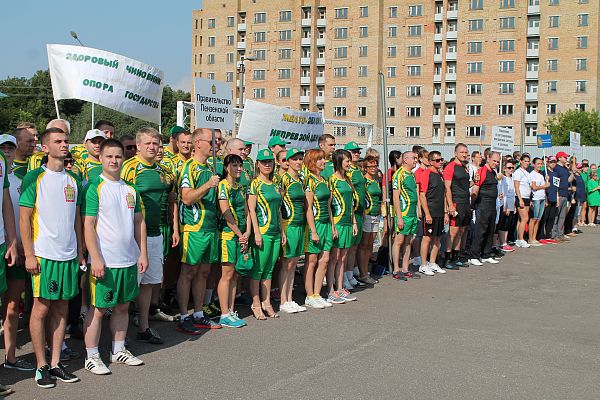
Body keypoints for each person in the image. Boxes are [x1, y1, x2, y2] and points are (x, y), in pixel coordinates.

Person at [20, 127, 82, 388]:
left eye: (66, 140)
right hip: (43, 255)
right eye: (58, 141)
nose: (64, 144)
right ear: (45, 148)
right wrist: (29, 254)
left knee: (62, 308)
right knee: (41, 308)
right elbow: (24, 218)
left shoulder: (74, 179)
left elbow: (77, 219)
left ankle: (56, 364)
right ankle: (41, 365)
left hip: (68, 255)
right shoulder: (34, 177)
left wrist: (80, 252)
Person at [82, 139, 147, 375]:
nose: (114, 161)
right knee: (99, 308)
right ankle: (91, 356)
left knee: (122, 307)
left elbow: (139, 222)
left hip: (128, 259)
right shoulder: (94, 187)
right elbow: (88, 226)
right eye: (109, 156)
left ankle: (118, 350)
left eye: (118, 156)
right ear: (101, 159)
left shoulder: (130, 189)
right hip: (105, 262)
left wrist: (143, 253)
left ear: (123, 158)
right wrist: (96, 258)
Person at [121, 127, 175, 344]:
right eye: (148, 143)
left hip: (156, 235)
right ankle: (119, 336)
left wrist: (173, 229)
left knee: (149, 284)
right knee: (129, 285)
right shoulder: (129, 168)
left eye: (155, 143)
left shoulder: (164, 171)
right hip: (133, 237)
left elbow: (171, 200)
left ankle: (143, 326)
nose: (152, 147)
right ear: (139, 146)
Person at [176, 128, 222, 333]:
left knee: (204, 272)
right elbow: (186, 198)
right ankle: (184, 315)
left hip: (210, 228)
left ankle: (199, 313)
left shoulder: (210, 167)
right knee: (189, 272)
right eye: (211, 141)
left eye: (216, 142)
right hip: (193, 229)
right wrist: (208, 185)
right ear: (197, 144)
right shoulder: (189, 167)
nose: (215, 145)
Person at [0, 135, 34, 372]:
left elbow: (23, 215)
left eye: (10, 147)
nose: (7, 151)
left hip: (17, 249)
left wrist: (19, 243)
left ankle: (11, 358)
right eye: (2, 147)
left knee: (13, 306)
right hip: (6, 245)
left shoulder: (23, 180)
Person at [248, 149, 285, 319]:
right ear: (258, 164)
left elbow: (278, 210)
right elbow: (252, 210)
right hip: (262, 232)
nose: (267, 165)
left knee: (269, 270)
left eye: (270, 161)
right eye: (264, 162)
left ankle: (267, 302)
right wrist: (256, 232)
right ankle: (256, 304)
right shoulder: (255, 184)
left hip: (275, 232)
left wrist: (282, 231)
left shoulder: (275, 184)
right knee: (258, 270)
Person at [216, 154, 249, 328]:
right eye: (234, 165)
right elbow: (226, 212)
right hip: (229, 235)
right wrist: (238, 233)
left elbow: (246, 211)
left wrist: (247, 232)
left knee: (235, 274)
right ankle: (223, 313)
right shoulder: (223, 186)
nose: (238, 168)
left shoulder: (240, 187)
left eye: (240, 165)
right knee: (227, 274)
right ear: (226, 167)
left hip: (241, 235)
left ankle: (231, 309)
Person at [302, 149, 334, 309]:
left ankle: (317, 293)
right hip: (315, 224)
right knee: (312, 260)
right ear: (312, 162)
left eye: (324, 158)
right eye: (320, 159)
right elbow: (307, 208)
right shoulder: (309, 180)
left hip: (326, 224)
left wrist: (332, 226)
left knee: (325, 259)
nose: (324, 161)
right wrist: (313, 230)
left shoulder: (325, 180)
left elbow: (329, 206)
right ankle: (309, 295)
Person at [278, 148, 307, 314]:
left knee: (294, 262)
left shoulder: (301, 180)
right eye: (294, 159)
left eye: (300, 159)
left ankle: (289, 298)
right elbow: (278, 206)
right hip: (288, 225)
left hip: (299, 225)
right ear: (287, 162)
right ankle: (283, 300)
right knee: (287, 263)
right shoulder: (283, 180)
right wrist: (282, 230)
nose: (298, 162)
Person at [326, 149, 358, 303]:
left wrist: (354, 222)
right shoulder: (331, 180)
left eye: (349, 160)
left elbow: (351, 204)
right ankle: (331, 290)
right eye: (346, 160)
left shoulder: (347, 179)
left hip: (347, 222)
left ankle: (340, 288)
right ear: (338, 161)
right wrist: (332, 226)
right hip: (337, 222)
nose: (349, 163)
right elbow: (328, 205)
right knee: (334, 257)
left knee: (343, 258)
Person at [391, 151, 421, 280]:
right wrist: (399, 217)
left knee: (409, 241)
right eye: (413, 158)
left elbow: (415, 193)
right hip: (403, 213)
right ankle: (396, 269)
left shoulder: (411, 174)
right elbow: (396, 197)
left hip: (412, 213)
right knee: (399, 241)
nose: (416, 160)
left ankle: (405, 268)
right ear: (405, 160)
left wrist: (418, 209)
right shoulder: (399, 174)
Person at [468, 152, 501, 265]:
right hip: (483, 204)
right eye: (494, 161)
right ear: (488, 158)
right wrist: (473, 204)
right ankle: (474, 255)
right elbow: (475, 190)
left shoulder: (493, 172)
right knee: (480, 230)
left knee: (490, 230)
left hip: (492, 204)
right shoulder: (481, 171)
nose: (496, 163)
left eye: (498, 161)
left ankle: (486, 254)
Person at [442, 144, 471, 269]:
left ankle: (456, 257)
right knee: (453, 232)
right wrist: (450, 206)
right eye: (461, 152)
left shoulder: (464, 167)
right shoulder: (450, 167)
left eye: (465, 152)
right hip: (456, 202)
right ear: (455, 153)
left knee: (461, 231)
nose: (464, 154)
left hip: (465, 202)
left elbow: (464, 185)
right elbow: (447, 188)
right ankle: (447, 260)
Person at [418, 151, 448, 274]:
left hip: (440, 211)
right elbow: (422, 195)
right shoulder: (426, 174)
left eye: (441, 159)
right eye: (437, 160)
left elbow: (444, 195)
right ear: (430, 162)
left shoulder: (440, 175)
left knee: (437, 238)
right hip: (430, 211)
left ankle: (432, 262)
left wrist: (445, 212)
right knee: (427, 238)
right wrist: (427, 214)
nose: (440, 162)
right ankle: (423, 265)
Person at [357, 151, 384, 285]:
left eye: (375, 165)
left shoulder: (376, 180)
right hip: (366, 215)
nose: (373, 168)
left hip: (375, 215)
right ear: (365, 168)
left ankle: (365, 271)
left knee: (370, 246)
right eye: (370, 166)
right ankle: (363, 273)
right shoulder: (364, 180)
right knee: (364, 245)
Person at [344, 142, 365, 290]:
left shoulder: (357, 169)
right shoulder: (348, 171)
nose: (357, 153)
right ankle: (344, 276)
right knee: (348, 247)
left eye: (358, 151)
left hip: (359, 212)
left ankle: (350, 274)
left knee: (354, 247)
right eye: (353, 151)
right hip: (351, 213)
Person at [552, 152, 574, 241]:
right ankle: (554, 235)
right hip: (559, 194)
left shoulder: (565, 168)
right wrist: (556, 195)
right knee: (556, 216)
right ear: (560, 158)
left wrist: (572, 173)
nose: (566, 159)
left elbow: (568, 180)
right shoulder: (556, 168)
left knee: (562, 216)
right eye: (565, 157)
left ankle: (560, 234)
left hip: (565, 194)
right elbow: (555, 183)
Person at [496, 160, 517, 251]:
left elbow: (513, 193)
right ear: (504, 169)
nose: (511, 169)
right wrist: (507, 206)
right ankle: (502, 242)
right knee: (503, 224)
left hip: (512, 204)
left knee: (509, 224)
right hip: (505, 204)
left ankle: (505, 241)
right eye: (509, 168)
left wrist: (514, 206)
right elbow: (504, 193)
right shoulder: (503, 178)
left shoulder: (512, 178)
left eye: (512, 167)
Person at [529, 158, 550, 246]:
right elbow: (534, 187)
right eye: (538, 163)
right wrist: (544, 185)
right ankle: (530, 239)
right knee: (533, 219)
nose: (540, 165)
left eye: (541, 163)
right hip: (536, 198)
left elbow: (544, 188)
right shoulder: (532, 174)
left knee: (538, 219)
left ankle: (534, 238)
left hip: (542, 198)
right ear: (533, 164)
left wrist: (545, 199)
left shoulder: (541, 175)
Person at [513, 154, 532, 248]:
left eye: (528, 161)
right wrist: (520, 199)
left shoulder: (527, 173)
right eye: (525, 161)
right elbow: (516, 186)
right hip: (521, 197)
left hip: (527, 197)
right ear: (520, 161)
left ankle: (518, 238)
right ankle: (520, 239)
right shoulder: (518, 172)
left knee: (521, 220)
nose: (527, 163)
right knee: (525, 218)